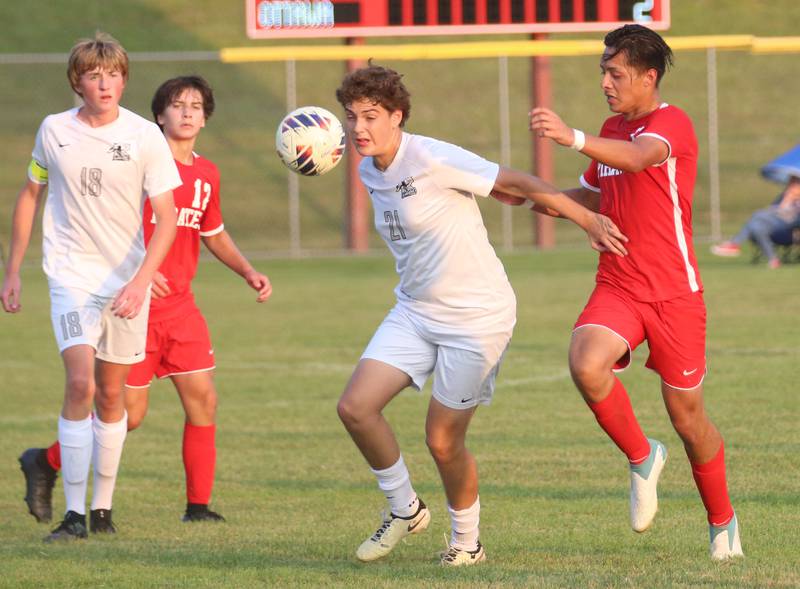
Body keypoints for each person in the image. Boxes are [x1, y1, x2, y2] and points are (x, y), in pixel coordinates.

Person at [334, 63, 628, 566]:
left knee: (443, 440)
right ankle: (405, 509)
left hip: (477, 316)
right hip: (415, 310)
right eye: (352, 118)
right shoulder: (367, 169)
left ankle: (467, 542)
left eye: (371, 116)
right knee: (356, 408)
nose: (359, 128)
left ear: (397, 116)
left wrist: (586, 219)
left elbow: (517, 183)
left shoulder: (430, 156)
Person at [522, 24, 742, 560]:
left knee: (689, 419)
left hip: (674, 294)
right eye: (603, 71)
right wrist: (534, 195)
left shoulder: (672, 125)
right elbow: (595, 192)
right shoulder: (610, 128)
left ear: (648, 77)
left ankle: (723, 523)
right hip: (619, 282)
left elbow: (639, 158)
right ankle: (643, 458)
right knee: (586, 363)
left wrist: (570, 137)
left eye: (615, 72)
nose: (605, 81)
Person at [18, 75, 273, 526]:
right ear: (159, 116)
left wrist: (248, 270)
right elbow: (105, 222)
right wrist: (139, 273)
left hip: (181, 308)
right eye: (178, 104)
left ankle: (197, 507)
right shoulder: (134, 157)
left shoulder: (206, 174)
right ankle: (48, 461)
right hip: (132, 301)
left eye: (197, 105)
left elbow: (212, 232)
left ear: (206, 118)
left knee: (203, 399)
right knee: (126, 415)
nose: (189, 112)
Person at [2, 32, 180, 542]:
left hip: (127, 282)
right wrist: (12, 270)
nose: (105, 84)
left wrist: (142, 280)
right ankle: (74, 515)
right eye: (94, 75)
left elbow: (165, 217)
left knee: (111, 394)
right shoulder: (53, 130)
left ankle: (102, 510)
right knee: (79, 383)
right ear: (76, 81)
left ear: (125, 78)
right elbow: (30, 195)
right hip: (70, 275)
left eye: (114, 74)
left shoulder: (146, 135)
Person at [711, 176, 800, 267]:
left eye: (795, 182)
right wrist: (786, 199)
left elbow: (793, 218)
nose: (791, 185)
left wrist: (790, 200)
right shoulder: (782, 197)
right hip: (772, 229)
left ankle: (734, 244)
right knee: (757, 227)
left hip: (787, 232)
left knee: (758, 214)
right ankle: (774, 260)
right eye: (791, 182)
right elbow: (772, 209)